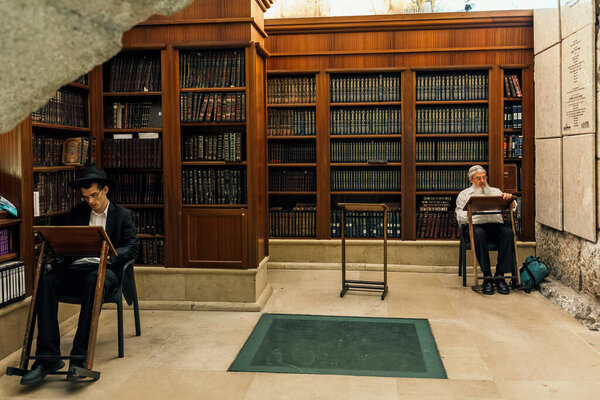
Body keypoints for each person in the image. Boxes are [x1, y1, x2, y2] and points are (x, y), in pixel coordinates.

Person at [21, 166, 139, 385]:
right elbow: (67, 243)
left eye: (94, 195)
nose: (90, 201)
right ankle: (47, 359)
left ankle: (79, 359)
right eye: (86, 197)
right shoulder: (77, 213)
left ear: (105, 190)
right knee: (46, 282)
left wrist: (108, 255)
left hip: (105, 271)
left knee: (92, 280)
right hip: (76, 268)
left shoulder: (122, 215)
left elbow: (132, 249)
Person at [455, 165, 516, 295]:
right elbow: (460, 218)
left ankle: (500, 277)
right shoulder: (464, 195)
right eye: (478, 178)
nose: (482, 181)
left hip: (495, 226)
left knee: (508, 233)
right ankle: (487, 277)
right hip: (474, 227)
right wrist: (473, 210)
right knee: (479, 234)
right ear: (471, 180)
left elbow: (513, 207)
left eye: (484, 178)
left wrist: (510, 200)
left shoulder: (495, 191)